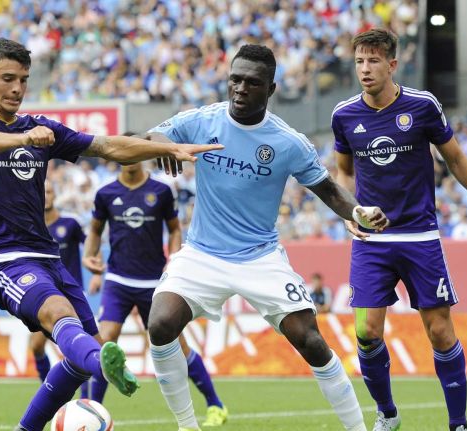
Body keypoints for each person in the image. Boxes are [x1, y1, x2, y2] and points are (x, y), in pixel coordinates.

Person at [0, 38, 221, 431]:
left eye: (23, 80)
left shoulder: (39, 129)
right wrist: (24, 139)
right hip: (5, 259)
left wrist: (163, 147)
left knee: (77, 357)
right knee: (61, 317)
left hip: (51, 260)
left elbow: (107, 146)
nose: (17, 89)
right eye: (7, 79)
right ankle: (106, 369)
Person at [147, 44, 388, 431]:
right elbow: (155, 134)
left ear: (271, 89)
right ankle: (187, 425)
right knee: (160, 323)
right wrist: (162, 145)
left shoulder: (287, 141)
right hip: (202, 254)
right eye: (235, 79)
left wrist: (358, 211)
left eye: (252, 82)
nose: (241, 88)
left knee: (310, 339)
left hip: (260, 258)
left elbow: (328, 189)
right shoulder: (203, 120)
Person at [332, 29, 467, 431]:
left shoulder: (422, 106)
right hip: (372, 240)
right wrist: (347, 214)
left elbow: (456, 158)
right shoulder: (344, 115)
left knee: (440, 332)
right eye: (359, 61)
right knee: (366, 331)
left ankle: (458, 423)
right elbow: (342, 171)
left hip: (420, 236)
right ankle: (387, 413)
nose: (365, 69)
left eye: (373, 60)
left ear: (392, 64)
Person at [81, 157, 228, 426]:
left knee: (178, 346)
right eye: (122, 154)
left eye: (134, 153)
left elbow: (174, 229)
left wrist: (174, 257)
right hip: (118, 279)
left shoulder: (160, 191)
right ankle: (92, 413)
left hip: (155, 282)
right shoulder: (105, 193)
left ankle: (215, 405)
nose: (128, 159)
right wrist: (89, 256)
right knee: (104, 342)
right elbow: (94, 230)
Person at [30, 180, 86, 382]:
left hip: (71, 294)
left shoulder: (70, 223)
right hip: (43, 294)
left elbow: (90, 245)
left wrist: (96, 273)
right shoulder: (30, 227)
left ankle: (85, 396)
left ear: (56, 195)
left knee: (74, 348)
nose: (46, 196)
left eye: (50, 191)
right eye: (42, 192)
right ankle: (47, 389)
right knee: (36, 346)